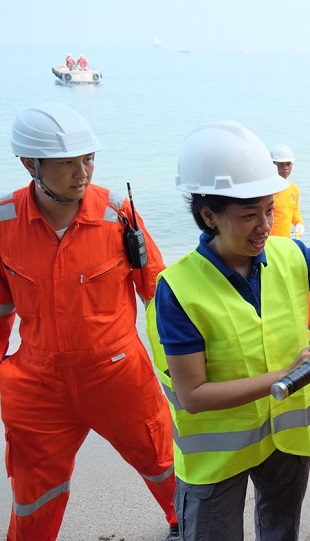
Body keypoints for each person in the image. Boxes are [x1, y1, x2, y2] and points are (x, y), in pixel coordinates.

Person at [145, 121, 310, 541]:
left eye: (270, 209)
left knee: (280, 530)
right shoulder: (178, 289)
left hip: (285, 441)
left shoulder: (289, 254)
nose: (264, 226)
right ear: (209, 215)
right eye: (248, 214)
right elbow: (192, 396)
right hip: (216, 457)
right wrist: (290, 375)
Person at [0, 103, 179, 541]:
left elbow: (161, 295)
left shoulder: (118, 214)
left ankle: (187, 524)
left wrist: (182, 367)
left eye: (88, 159)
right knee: (33, 492)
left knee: (164, 460)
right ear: (30, 164)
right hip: (37, 385)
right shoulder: (3, 222)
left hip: (119, 374)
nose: (82, 173)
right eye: (66, 164)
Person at [270, 143, 306, 238]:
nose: (285, 168)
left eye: (288, 164)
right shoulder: (267, 191)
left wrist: (299, 223)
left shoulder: (293, 189)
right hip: (267, 241)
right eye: (281, 164)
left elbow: (294, 210)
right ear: (272, 165)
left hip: (285, 241)